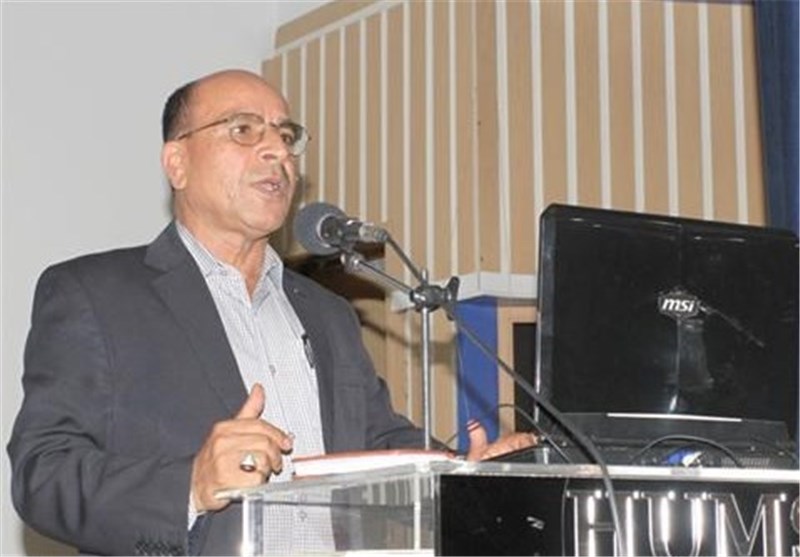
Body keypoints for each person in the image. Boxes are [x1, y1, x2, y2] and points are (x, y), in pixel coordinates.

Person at [8, 69, 535, 555]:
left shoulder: (329, 314)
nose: (277, 150)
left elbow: (375, 442)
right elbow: (43, 474)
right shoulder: (94, 294)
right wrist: (189, 485)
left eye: (286, 136)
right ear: (177, 163)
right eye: (243, 130)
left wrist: (461, 474)